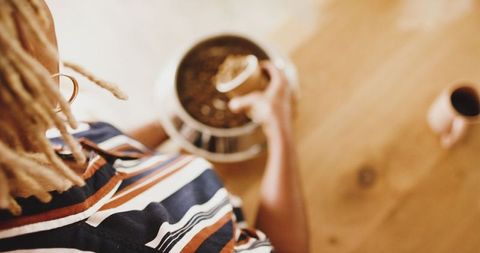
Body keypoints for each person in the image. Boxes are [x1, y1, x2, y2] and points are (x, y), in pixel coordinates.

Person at [0, 1, 309, 252]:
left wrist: (178, 120)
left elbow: (101, 152)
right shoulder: (121, 237)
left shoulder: (21, 155)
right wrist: (278, 127)